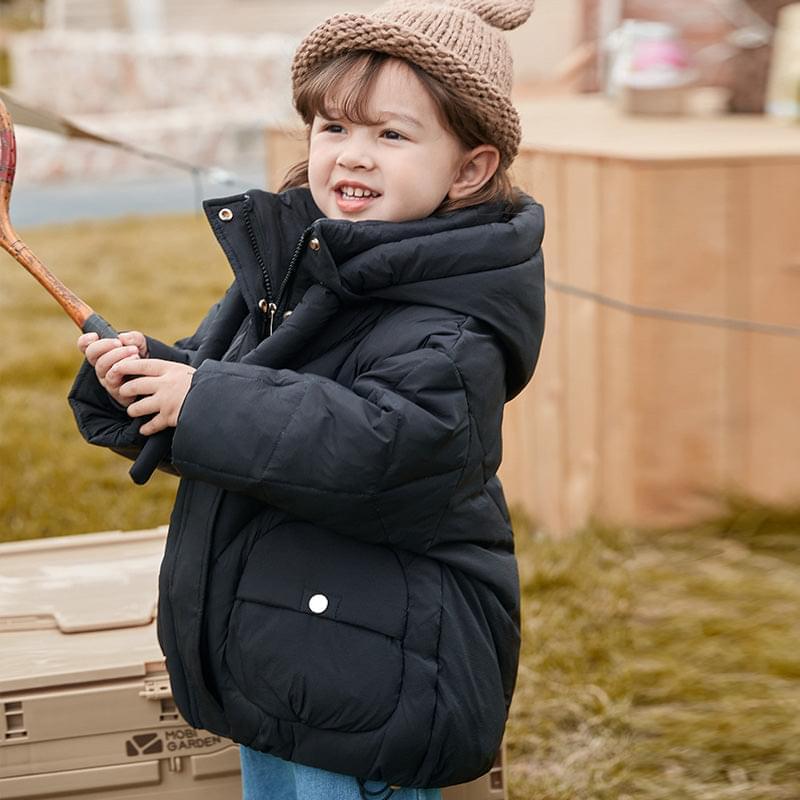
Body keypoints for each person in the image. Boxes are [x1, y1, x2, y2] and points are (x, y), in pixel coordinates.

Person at [69, 1, 545, 798]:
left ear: (469, 169)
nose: (353, 156)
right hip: (284, 652)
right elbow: (234, 383)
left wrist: (204, 401)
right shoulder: (301, 260)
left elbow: (388, 449)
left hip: (376, 675)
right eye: (333, 128)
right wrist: (150, 378)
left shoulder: (454, 315)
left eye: (391, 135)